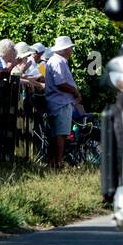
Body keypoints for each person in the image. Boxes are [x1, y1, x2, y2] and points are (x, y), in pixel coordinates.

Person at [44, 36, 82, 168]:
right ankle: (58, 163)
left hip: (56, 101)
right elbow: (61, 83)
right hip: (61, 102)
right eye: (70, 48)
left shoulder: (55, 61)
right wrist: (75, 91)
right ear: (65, 49)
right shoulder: (58, 62)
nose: (71, 50)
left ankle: (53, 163)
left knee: (55, 134)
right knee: (61, 134)